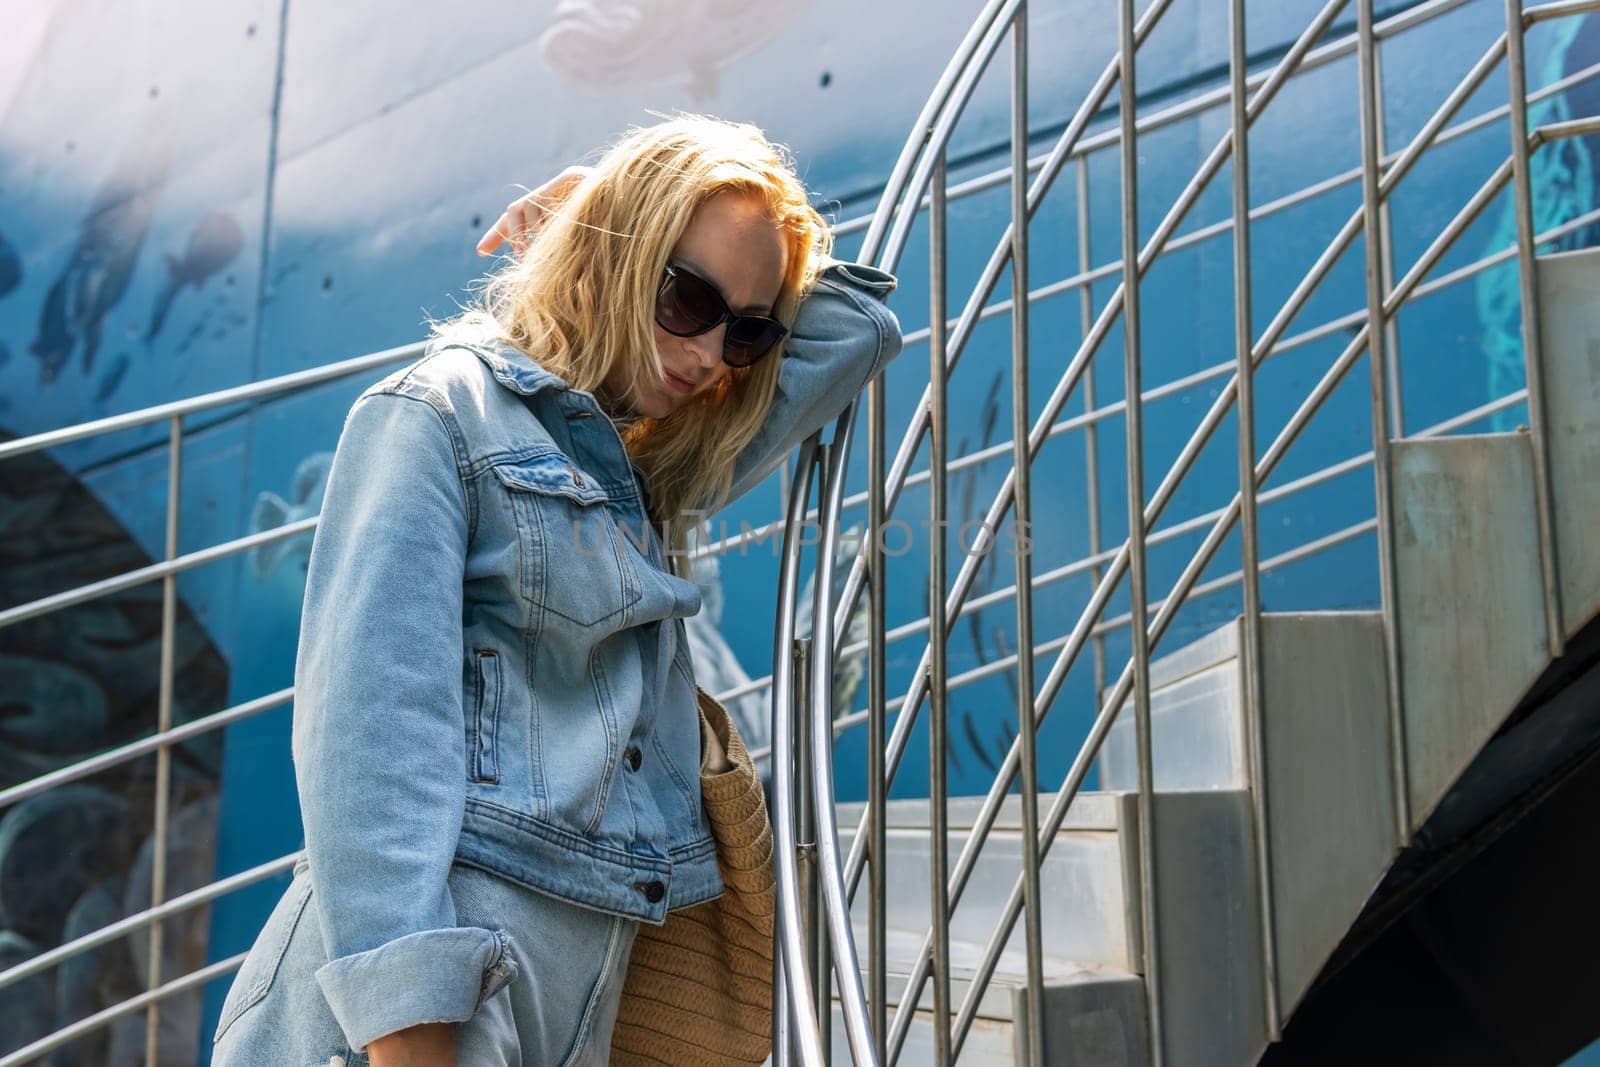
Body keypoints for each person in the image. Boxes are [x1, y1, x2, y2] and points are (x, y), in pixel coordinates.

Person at [210, 113, 902, 1066]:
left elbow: (859, 328)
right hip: (422, 1005)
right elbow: (370, 737)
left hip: (565, 995)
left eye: (744, 332)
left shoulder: (640, 478)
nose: (707, 356)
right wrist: (413, 1029)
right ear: (620, 255)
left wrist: (659, 239)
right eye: (685, 299)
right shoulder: (438, 413)